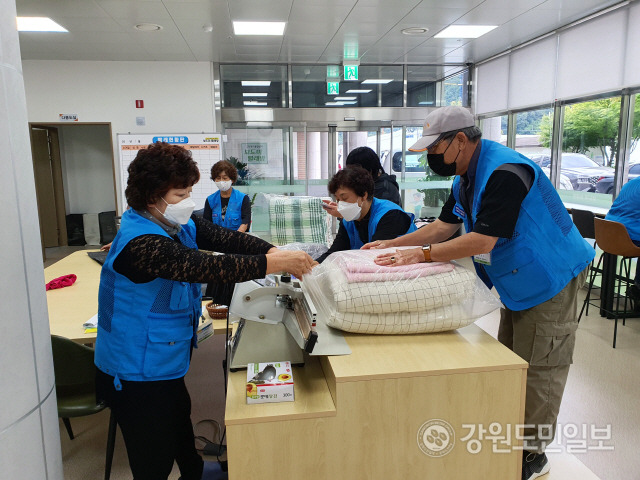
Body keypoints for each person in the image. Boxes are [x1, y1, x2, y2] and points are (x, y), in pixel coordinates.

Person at [362, 106, 594, 480]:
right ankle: (510, 437)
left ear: (459, 141)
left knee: (540, 368)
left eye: (434, 150)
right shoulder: (465, 177)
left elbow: (483, 239)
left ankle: (533, 455)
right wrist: (392, 243)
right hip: (518, 281)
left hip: (551, 276)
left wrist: (417, 255)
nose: (432, 160)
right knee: (515, 362)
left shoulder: (505, 173)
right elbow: (442, 227)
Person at [94, 142, 314, 480]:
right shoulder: (140, 243)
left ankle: (194, 473)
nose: (189, 202)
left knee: (182, 431)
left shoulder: (174, 225)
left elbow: (228, 240)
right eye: (181, 194)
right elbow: (204, 267)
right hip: (135, 370)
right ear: (153, 197)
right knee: (153, 460)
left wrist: (277, 251)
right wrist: (273, 262)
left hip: (163, 361)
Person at [316, 165, 416, 263]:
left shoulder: (391, 215)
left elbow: (372, 256)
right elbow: (334, 252)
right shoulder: (349, 219)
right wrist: (313, 265)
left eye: (344, 198)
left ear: (363, 195)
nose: (340, 204)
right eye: (338, 200)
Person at [323, 146, 402, 218]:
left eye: (345, 198)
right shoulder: (379, 185)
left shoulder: (384, 190)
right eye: (338, 200)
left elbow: (366, 217)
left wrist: (345, 213)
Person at [605, 175, 640, 305]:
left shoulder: (632, 182)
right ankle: (638, 287)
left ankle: (638, 287)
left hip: (609, 234)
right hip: (628, 236)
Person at [204, 159, 251, 232]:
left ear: (232, 179)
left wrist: (235, 237)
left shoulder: (242, 198)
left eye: (225, 178)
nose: (221, 181)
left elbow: (245, 222)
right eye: (218, 178)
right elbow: (206, 224)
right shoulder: (210, 200)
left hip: (238, 238)